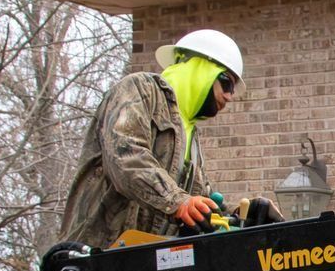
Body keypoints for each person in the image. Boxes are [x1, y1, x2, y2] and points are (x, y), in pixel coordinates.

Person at [60, 29, 243, 247]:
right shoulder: (139, 90)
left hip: (143, 262)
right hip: (96, 256)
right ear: (200, 68)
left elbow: (199, 198)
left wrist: (243, 214)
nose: (229, 96)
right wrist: (177, 201)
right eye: (226, 82)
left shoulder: (189, 134)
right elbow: (127, 158)